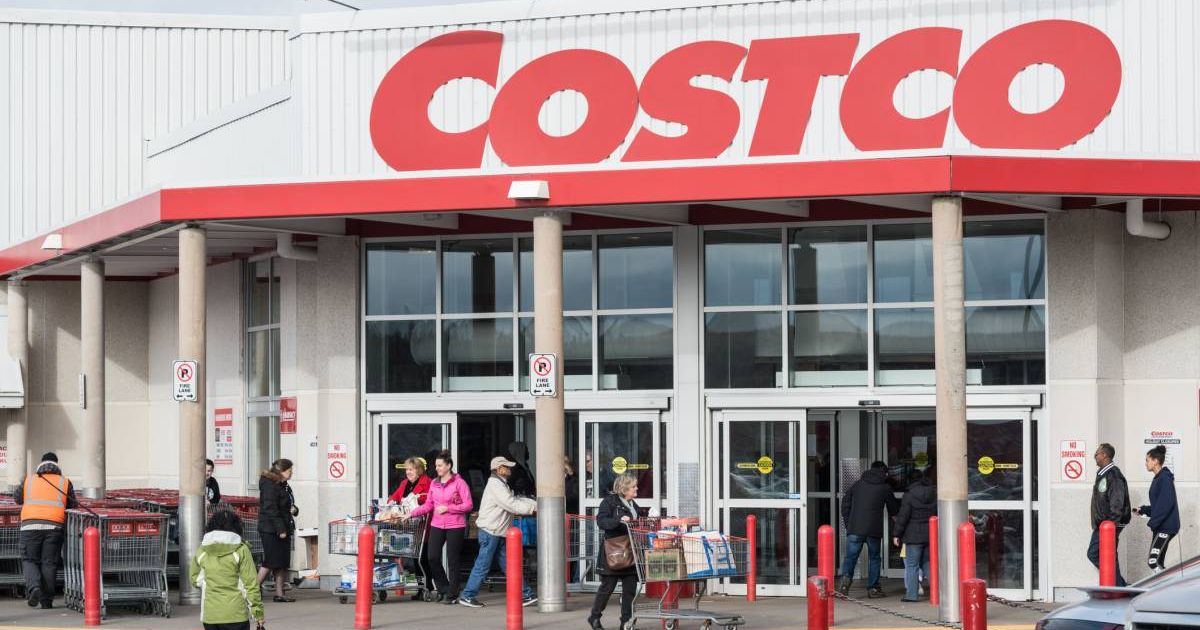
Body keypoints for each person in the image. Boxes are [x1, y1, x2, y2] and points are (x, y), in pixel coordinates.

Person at [458, 456, 538, 608]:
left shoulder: (501, 484)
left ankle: (526, 594)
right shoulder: (496, 485)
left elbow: (514, 500)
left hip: (498, 531)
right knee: (483, 566)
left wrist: (534, 504)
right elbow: (511, 504)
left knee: (510, 566)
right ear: (499, 469)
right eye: (506, 467)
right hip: (491, 531)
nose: (510, 469)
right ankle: (468, 595)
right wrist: (533, 508)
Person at [407, 449, 473, 605]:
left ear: (448, 466)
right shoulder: (434, 484)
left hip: (455, 524)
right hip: (437, 524)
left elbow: (468, 505)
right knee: (432, 557)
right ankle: (444, 589)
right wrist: (411, 513)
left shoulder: (459, 483)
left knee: (453, 560)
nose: (437, 468)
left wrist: (449, 508)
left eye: (440, 465)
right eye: (436, 466)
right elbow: (429, 505)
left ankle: (453, 594)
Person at [14, 452, 78, 609]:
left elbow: (17, 498)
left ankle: (34, 587)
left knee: (29, 559)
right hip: (54, 526)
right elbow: (73, 504)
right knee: (49, 563)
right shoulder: (65, 482)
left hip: (30, 525)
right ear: (57, 464)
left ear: (41, 463)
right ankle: (46, 601)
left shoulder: (29, 480)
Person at [190, 509, 266, 630]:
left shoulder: (202, 550)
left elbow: (195, 579)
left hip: (210, 616)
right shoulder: (241, 549)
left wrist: (209, 582)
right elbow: (251, 585)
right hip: (236, 615)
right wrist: (258, 613)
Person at [838, 461, 899, 598]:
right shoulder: (884, 488)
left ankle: (844, 586)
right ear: (883, 472)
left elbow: (845, 505)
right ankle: (873, 589)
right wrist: (900, 527)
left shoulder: (857, 485)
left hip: (855, 529)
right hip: (873, 530)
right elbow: (894, 511)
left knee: (851, 558)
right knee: (875, 558)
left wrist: (849, 524)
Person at [588, 473, 640, 630]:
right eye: (633, 486)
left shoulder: (633, 505)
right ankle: (594, 617)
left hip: (630, 551)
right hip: (614, 551)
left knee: (630, 589)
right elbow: (601, 522)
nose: (636, 488)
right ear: (624, 488)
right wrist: (619, 521)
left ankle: (626, 622)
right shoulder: (609, 502)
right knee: (607, 588)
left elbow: (637, 523)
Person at [388, 456, 434, 599]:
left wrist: (416, 502)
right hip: (409, 527)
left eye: (411, 469)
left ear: (419, 470)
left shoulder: (428, 483)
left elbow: (429, 502)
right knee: (414, 558)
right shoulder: (404, 483)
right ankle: (420, 588)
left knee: (423, 558)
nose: (408, 472)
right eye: (407, 469)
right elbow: (394, 497)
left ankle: (427, 587)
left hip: (423, 525)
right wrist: (390, 505)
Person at [1088, 443, 1131, 586]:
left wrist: (1110, 525)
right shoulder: (1103, 474)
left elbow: (1117, 503)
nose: (1095, 455)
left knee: (1094, 553)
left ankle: (1121, 587)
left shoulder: (1114, 475)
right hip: (1103, 524)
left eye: (1097, 453)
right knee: (1107, 556)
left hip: (1109, 524)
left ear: (1104, 455)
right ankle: (1121, 587)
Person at [257, 458, 298, 602]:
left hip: (284, 526)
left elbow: (287, 503)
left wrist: (294, 509)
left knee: (282, 562)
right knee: (271, 560)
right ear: (281, 471)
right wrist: (280, 529)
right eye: (289, 470)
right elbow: (270, 508)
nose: (291, 473)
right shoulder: (269, 484)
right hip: (270, 528)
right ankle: (253, 589)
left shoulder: (283, 484)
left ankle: (280, 594)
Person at [893, 467, 936, 602]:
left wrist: (896, 534)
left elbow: (903, 517)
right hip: (929, 534)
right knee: (928, 563)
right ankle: (938, 593)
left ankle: (911, 595)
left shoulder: (909, 495)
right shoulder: (932, 493)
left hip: (913, 536)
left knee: (912, 565)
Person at [1137, 445, 1179, 572]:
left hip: (1166, 527)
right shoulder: (1158, 478)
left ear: (1155, 461)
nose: (1145, 463)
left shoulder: (1164, 478)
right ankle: (1165, 583)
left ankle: (1171, 583)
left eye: (1147, 460)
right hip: (1162, 526)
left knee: (1153, 562)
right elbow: (1158, 506)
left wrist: (1153, 522)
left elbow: (1166, 504)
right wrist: (1143, 510)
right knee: (1158, 561)